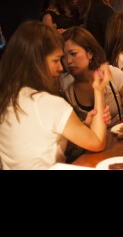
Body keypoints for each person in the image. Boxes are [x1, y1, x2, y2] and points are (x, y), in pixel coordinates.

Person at [0, 21, 109, 170]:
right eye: (56, 60)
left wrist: (82, 127)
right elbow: (97, 143)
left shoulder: (7, 98)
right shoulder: (47, 103)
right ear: (36, 61)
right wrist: (98, 89)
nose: (61, 67)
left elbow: (38, 140)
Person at [61, 26, 123, 127]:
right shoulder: (65, 86)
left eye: (73, 53)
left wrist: (122, 126)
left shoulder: (111, 74)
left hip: (119, 133)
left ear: (90, 53)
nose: (68, 61)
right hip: (89, 136)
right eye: (63, 57)